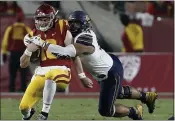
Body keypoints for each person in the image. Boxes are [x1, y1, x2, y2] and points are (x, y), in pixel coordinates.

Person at [28, 10, 158, 120]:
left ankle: (134, 112)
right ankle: (146, 97)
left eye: (76, 23)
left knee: (105, 110)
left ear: (84, 24)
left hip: (110, 71)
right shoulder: (76, 36)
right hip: (108, 65)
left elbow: (67, 52)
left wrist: (44, 44)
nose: (72, 26)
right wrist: (82, 75)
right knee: (117, 92)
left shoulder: (84, 37)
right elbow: (72, 54)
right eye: (71, 23)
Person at [19, 4, 92, 120]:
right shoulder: (32, 35)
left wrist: (82, 76)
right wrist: (28, 51)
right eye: (40, 19)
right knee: (23, 107)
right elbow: (23, 65)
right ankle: (27, 116)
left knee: (50, 77)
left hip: (61, 68)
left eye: (45, 19)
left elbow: (73, 53)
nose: (42, 22)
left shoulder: (63, 26)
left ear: (53, 18)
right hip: (42, 71)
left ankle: (44, 113)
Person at [1, 13, 31, 92]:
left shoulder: (10, 28)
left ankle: (11, 90)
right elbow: (32, 40)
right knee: (23, 74)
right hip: (23, 53)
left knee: (12, 74)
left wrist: (4, 52)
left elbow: (5, 42)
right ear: (23, 19)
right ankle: (23, 90)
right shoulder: (26, 28)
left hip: (13, 53)